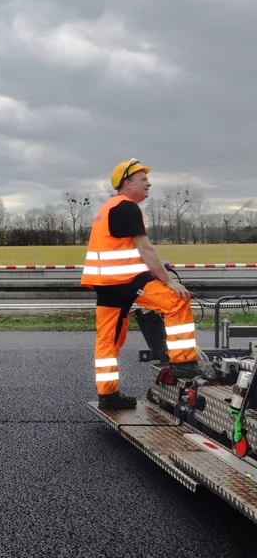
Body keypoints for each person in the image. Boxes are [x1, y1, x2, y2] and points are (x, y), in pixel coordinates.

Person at [81, 158, 199, 410]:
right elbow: (144, 248)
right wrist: (168, 282)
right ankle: (183, 365)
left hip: (106, 284)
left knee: (108, 340)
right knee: (177, 301)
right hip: (127, 279)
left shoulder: (107, 207)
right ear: (127, 182)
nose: (149, 183)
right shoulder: (127, 207)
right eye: (143, 179)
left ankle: (108, 395)